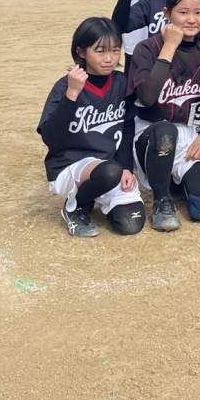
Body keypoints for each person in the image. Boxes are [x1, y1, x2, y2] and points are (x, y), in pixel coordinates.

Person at [127, 0, 200, 231]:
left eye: (198, 12)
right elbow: (147, 98)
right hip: (152, 131)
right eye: (183, 12)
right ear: (167, 13)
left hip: (192, 135)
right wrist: (170, 46)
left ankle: (176, 181)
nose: (191, 19)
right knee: (166, 131)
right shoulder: (147, 49)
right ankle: (161, 200)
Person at [37, 18, 144, 237]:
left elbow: (126, 129)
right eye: (100, 51)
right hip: (69, 167)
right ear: (81, 52)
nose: (109, 58)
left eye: (115, 50)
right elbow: (50, 138)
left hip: (110, 168)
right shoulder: (65, 86)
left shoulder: (121, 82)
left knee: (131, 224)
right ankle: (75, 206)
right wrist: (72, 94)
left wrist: (126, 167)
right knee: (109, 171)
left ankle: (93, 196)